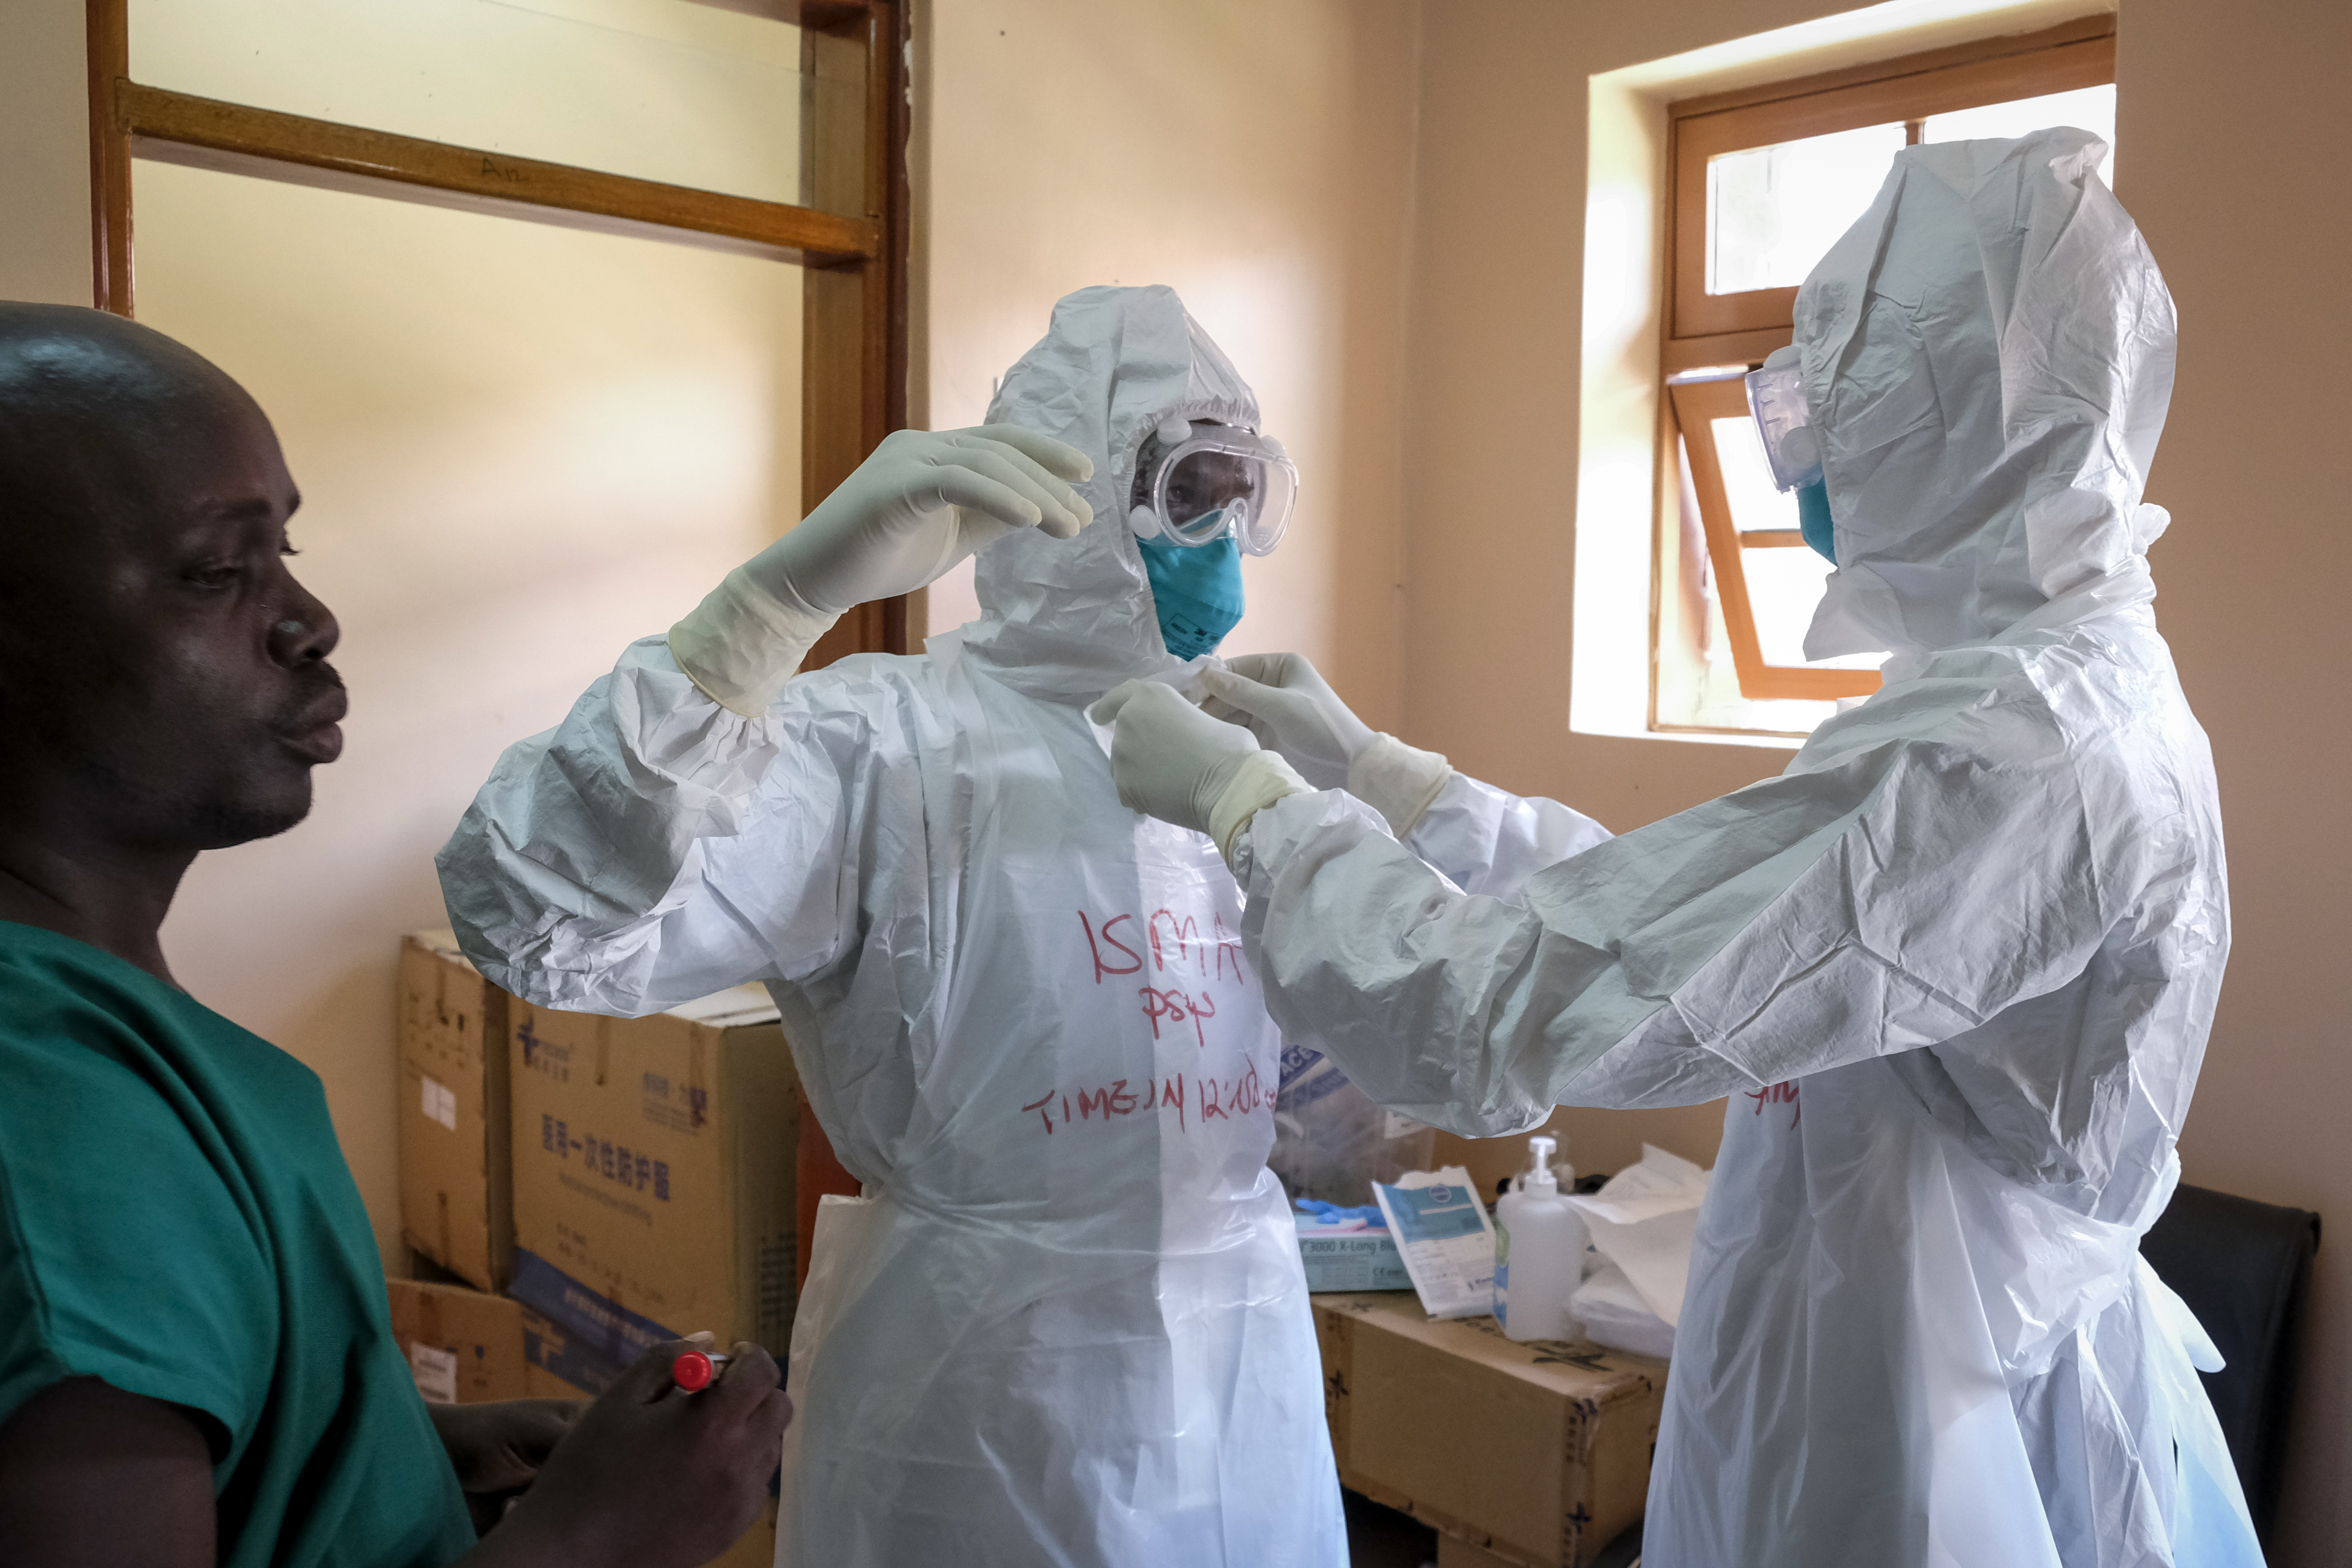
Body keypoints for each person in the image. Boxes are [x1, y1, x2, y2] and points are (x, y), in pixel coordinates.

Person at [1094, 131, 2265, 1567]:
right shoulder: (2005, 691)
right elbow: (1680, 920)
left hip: (1943, 1440)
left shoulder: (2017, 748)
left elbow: (1497, 1008)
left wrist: (1254, 812)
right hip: (1874, 1348)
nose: (1799, 469)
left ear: (1955, 429)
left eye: (1830, 414)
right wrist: (1393, 780)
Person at [437, 285, 1347, 1568]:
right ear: (1076, 504)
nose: (1221, 537)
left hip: (1242, 1357)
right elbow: (534, 915)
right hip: (974, 1385)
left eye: (1242, 496)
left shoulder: (1248, 745)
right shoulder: (875, 743)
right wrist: (764, 613)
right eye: (1186, 493)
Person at [0, 303, 792, 1568]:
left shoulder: (101, 1024)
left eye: (286, 553)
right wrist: (595, 1540)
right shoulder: (56, 1127)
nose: (308, 621)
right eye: (217, 572)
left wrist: (387, 1451)